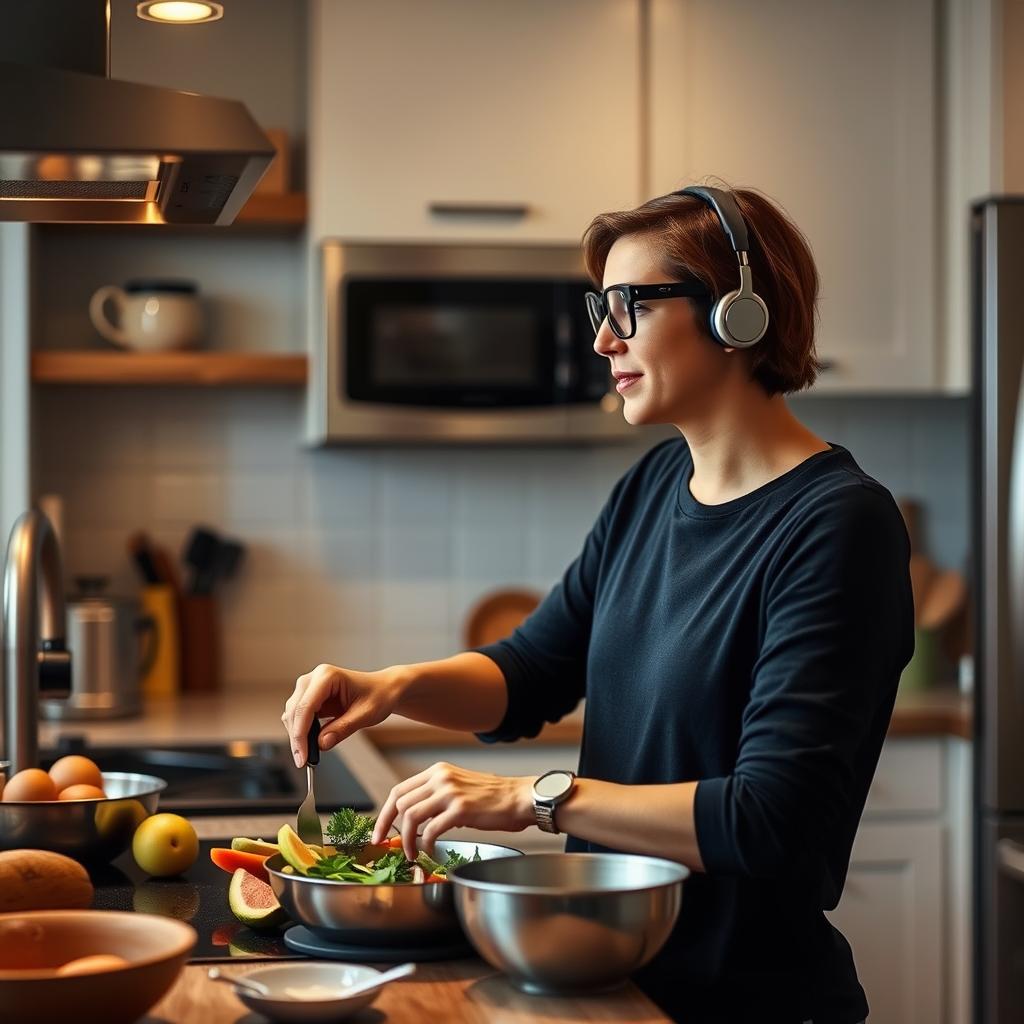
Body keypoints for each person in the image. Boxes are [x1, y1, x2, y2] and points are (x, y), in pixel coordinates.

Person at [282, 184, 914, 1024]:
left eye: (629, 307)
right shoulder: (654, 484)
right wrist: (389, 687)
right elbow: (533, 671)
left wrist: (533, 799)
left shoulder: (838, 525)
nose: (602, 337)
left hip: (746, 1000)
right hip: (613, 981)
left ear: (738, 314)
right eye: (599, 307)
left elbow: (771, 820)